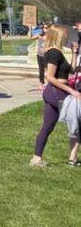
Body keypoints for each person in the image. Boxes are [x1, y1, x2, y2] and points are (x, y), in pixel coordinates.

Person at [30, 24, 80, 167]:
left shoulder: (58, 52)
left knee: (48, 126)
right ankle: (72, 158)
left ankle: (36, 158)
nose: (67, 38)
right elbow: (50, 77)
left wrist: (74, 53)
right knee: (76, 120)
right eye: (65, 35)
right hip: (56, 92)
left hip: (57, 92)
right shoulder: (53, 53)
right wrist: (72, 91)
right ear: (58, 36)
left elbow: (72, 70)